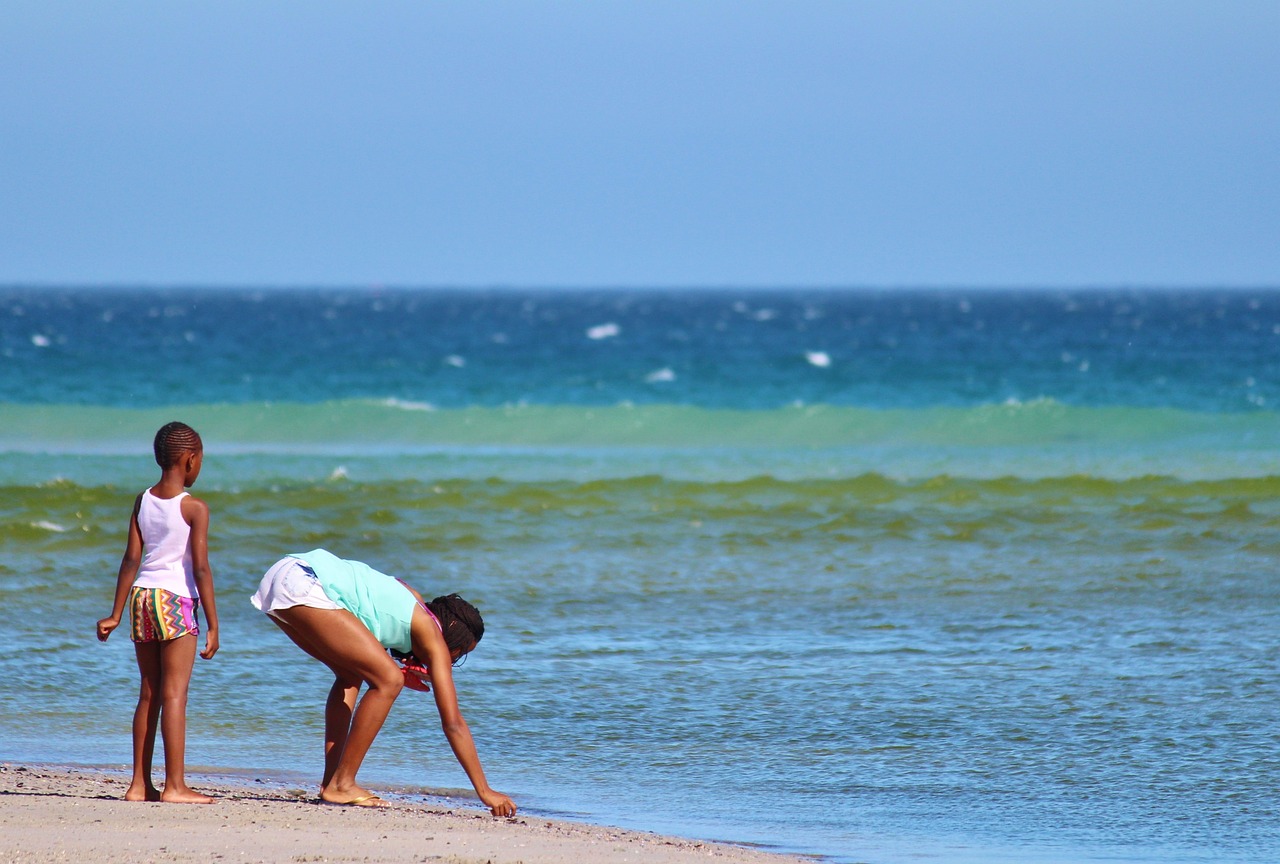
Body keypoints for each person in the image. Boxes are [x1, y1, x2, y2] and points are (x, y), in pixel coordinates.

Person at [250, 549, 516, 816]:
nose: (451, 661)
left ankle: (332, 783)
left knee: (350, 674)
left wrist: (411, 660)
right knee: (389, 680)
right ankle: (343, 784)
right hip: (306, 583)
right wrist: (485, 790)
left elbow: (376, 600)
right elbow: (453, 723)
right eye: (459, 653)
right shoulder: (433, 638)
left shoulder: (415, 603)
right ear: (451, 638)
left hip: (284, 573)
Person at [96, 421, 220, 804]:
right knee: (175, 694)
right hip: (175, 601)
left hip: (142, 599)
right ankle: (175, 787)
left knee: (148, 694)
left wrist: (115, 614)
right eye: (199, 462)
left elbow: (131, 559)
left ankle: (138, 785)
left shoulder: (142, 500)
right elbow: (200, 568)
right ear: (190, 460)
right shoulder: (194, 508)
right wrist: (214, 624)